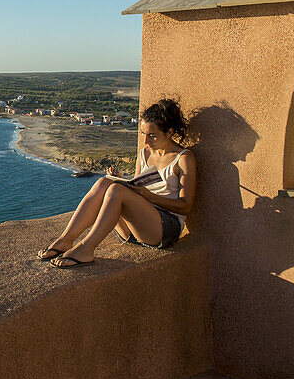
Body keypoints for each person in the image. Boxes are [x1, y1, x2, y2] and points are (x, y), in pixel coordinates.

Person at [36, 98, 196, 268]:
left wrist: (151, 197)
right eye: (143, 134)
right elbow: (137, 186)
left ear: (170, 133)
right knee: (104, 182)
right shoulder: (145, 154)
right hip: (133, 230)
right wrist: (122, 180)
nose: (146, 142)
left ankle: (85, 249)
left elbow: (186, 206)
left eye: (152, 136)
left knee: (116, 191)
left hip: (164, 230)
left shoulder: (183, 159)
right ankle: (65, 240)